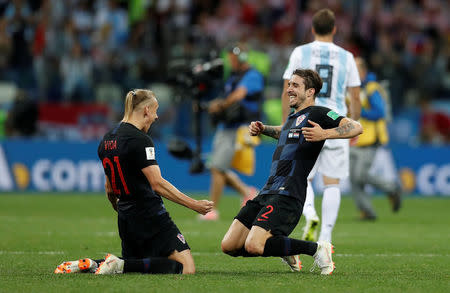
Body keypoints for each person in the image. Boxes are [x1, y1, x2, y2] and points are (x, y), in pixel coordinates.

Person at [54, 89, 213, 275]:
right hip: (150, 214)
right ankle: (119, 265)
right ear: (146, 110)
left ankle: (91, 264)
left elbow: (109, 188)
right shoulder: (141, 140)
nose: (156, 116)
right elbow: (157, 184)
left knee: (136, 264)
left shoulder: (106, 139)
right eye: (155, 110)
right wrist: (194, 205)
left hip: (126, 217)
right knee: (185, 268)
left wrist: (123, 211)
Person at [221, 69, 362, 274]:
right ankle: (284, 247)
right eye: (289, 85)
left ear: (310, 92)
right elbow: (284, 131)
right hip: (268, 190)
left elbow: (356, 127)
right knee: (229, 245)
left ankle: (317, 248)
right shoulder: (293, 117)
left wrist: (325, 133)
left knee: (254, 245)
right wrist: (264, 129)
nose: (289, 89)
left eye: (295, 85)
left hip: (288, 193)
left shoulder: (320, 113)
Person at [281, 8, 361, 243]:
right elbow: (355, 96)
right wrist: (353, 125)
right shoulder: (347, 56)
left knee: (301, 177)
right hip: (335, 121)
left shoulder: (300, 52)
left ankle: (310, 216)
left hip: (306, 118)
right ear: (335, 30)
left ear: (313, 29)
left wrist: (288, 120)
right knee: (332, 182)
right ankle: (325, 237)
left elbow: (289, 89)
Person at [200, 43, 264, 220]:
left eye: (233, 59)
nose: (231, 62)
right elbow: (230, 96)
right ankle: (247, 191)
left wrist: (220, 105)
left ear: (241, 58)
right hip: (226, 126)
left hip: (239, 129)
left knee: (217, 167)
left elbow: (238, 95)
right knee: (217, 167)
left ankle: (212, 209)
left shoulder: (252, 75)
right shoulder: (234, 76)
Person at [350, 57, 401, 220]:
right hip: (352, 137)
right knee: (353, 177)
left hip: (369, 138)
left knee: (359, 176)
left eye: (356, 68)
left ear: (363, 71)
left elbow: (380, 112)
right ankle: (367, 211)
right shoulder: (352, 88)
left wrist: (358, 112)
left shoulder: (371, 88)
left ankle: (392, 187)